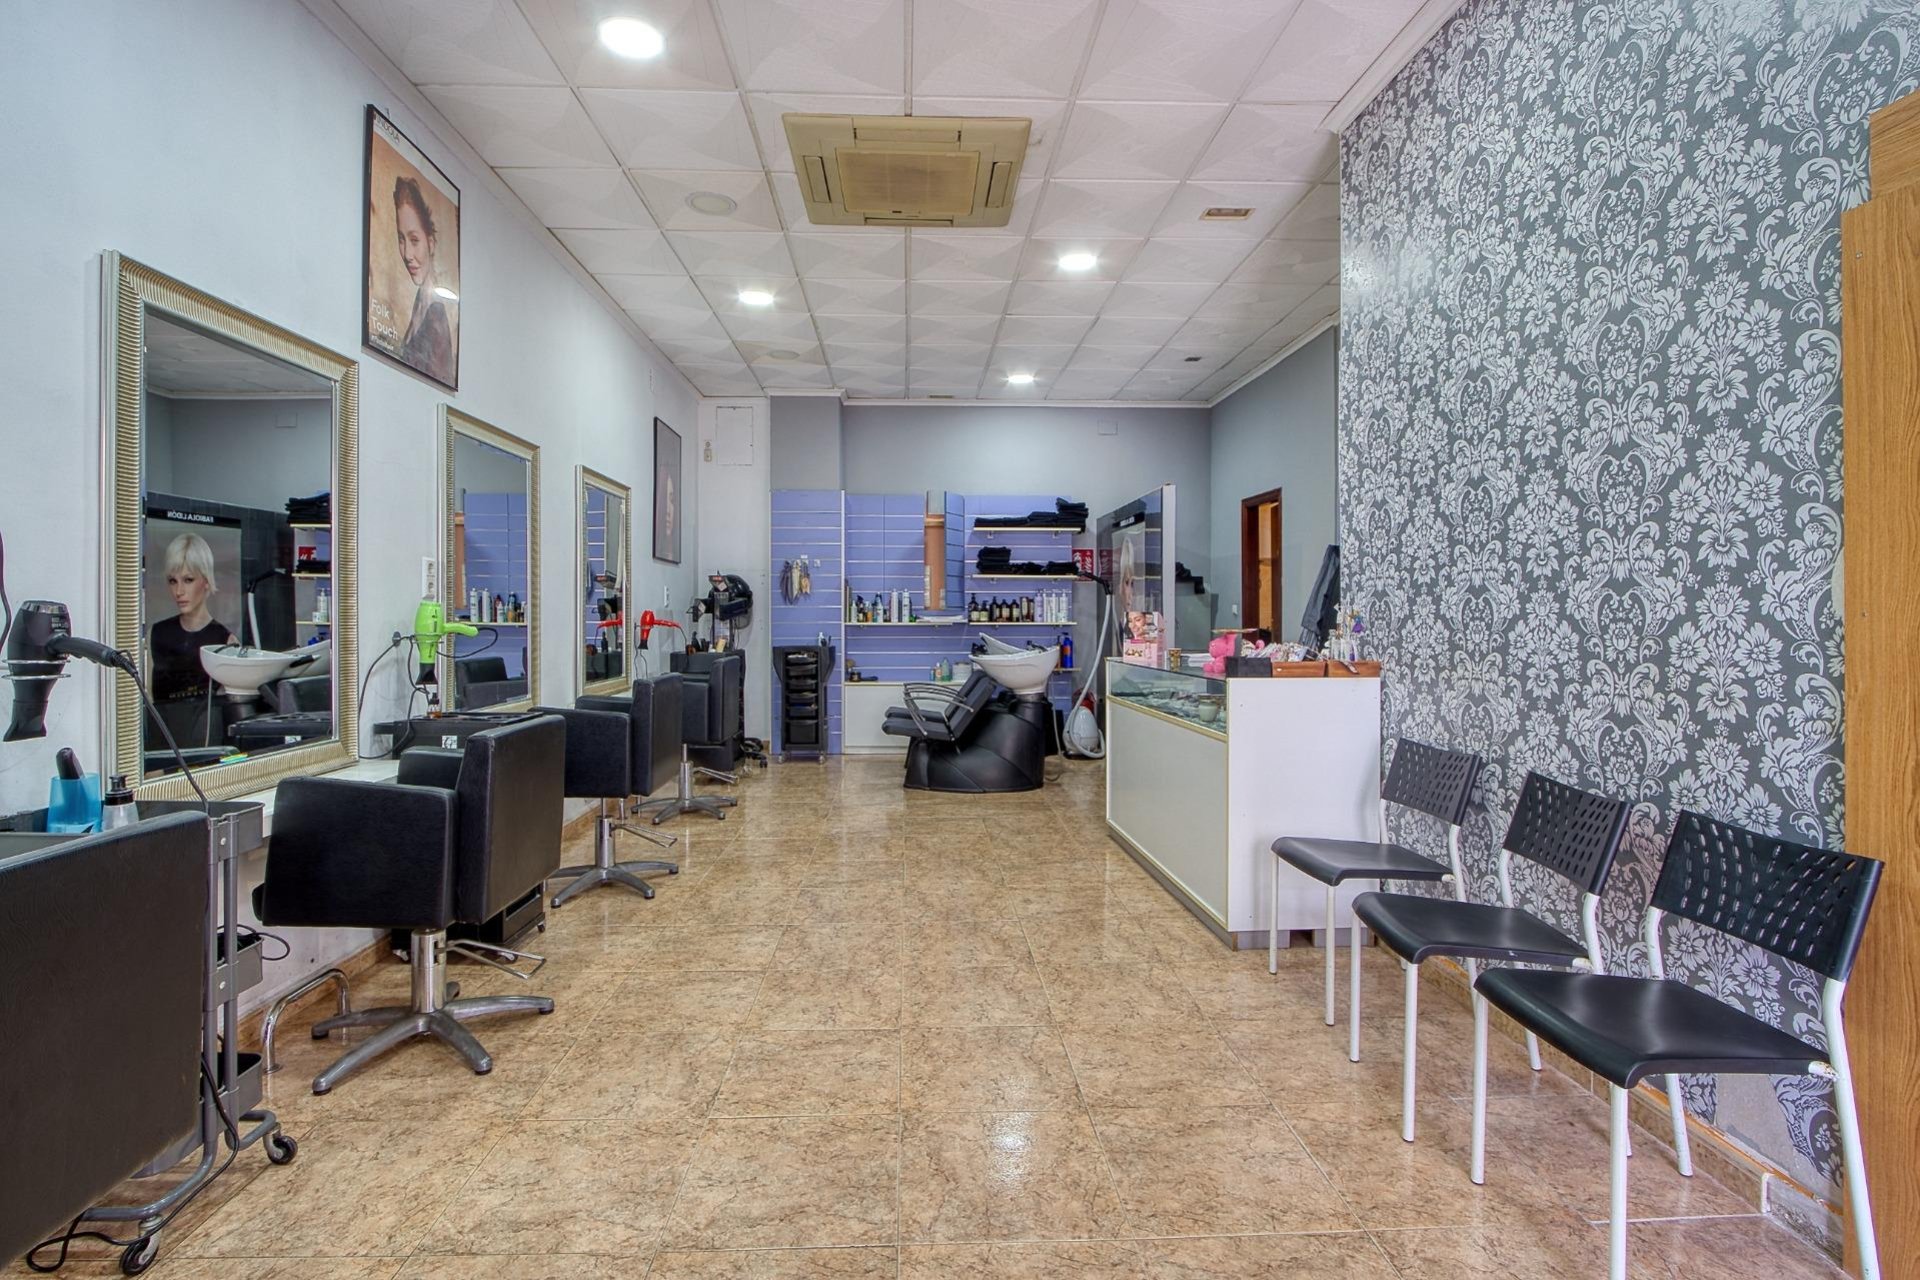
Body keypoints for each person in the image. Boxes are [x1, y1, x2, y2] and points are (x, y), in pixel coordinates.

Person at [149, 532, 235, 704]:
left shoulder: (226, 641)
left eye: (188, 580)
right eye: (173, 581)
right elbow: (148, 697)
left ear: (206, 581)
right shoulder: (156, 634)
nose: (179, 591)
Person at [393, 176, 455, 384]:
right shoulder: (420, 303)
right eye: (401, 239)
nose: (407, 254)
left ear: (431, 243)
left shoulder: (436, 316)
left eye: (414, 240)